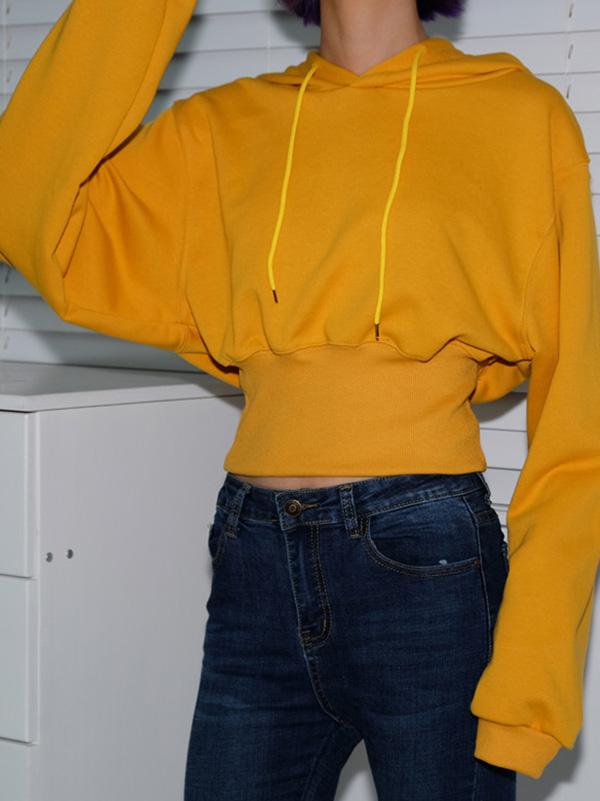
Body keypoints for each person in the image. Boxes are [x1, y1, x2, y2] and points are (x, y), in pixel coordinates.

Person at [1, 0, 599, 798]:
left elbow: (577, 418)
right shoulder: (223, 128)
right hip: (253, 556)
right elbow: (25, 198)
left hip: (427, 564)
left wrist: (534, 674)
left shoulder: (518, 116)